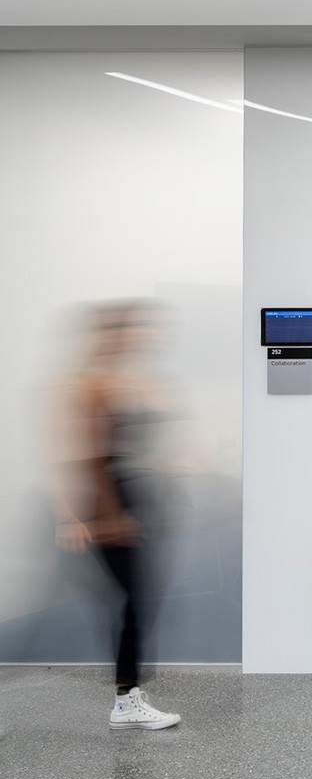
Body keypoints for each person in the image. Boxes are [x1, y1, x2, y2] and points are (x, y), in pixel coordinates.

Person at [54, 301, 181, 730]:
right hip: (106, 504)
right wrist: (97, 517)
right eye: (125, 331)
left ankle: (129, 696)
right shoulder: (89, 386)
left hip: (125, 497)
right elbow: (85, 458)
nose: (135, 337)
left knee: (138, 601)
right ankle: (126, 700)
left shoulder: (118, 381)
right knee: (134, 602)